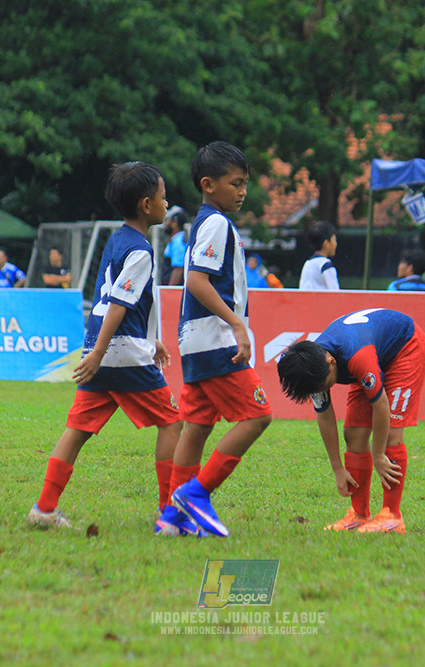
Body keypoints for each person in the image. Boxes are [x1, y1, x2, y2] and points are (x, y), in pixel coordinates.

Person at [27, 161, 183, 532]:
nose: (167, 203)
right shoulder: (141, 251)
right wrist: (102, 352)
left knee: (77, 429)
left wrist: (148, 340)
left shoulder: (117, 239)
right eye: (163, 197)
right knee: (172, 423)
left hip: (104, 350)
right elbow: (119, 303)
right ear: (146, 204)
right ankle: (169, 514)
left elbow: (115, 300)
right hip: (120, 354)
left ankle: (44, 509)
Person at [161, 141, 273, 538]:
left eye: (245, 183)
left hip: (195, 341)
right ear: (208, 185)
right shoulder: (216, 224)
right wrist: (237, 324)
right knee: (258, 415)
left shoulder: (207, 223)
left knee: (197, 427)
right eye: (235, 183)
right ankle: (196, 494)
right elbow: (197, 281)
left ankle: (171, 519)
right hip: (215, 340)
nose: (243, 191)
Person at [277, 308, 425, 535]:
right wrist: (337, 468)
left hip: (405, 347)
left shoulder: (358, 356)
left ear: (331, 361)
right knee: (354, 434)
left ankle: (392, 516)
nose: (323, 390)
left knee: (392, 434)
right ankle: (359, 514)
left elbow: (381, 405)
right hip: (372, 354)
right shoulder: (312, 367)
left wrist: (378, 455)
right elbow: (325, 416)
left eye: (325, 384)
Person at [298, 221, 340, 290]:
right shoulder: (326, 265)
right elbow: (335, 291)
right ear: (326, 243)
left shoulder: (307, 264)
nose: (336, 244)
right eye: (334, 240)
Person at [162, 206, 188, 286]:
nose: (165, 223)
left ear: (174, 223)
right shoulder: (176, 239)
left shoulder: (178, 241)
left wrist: (169, 290)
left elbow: (178, 269)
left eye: (168, 220)